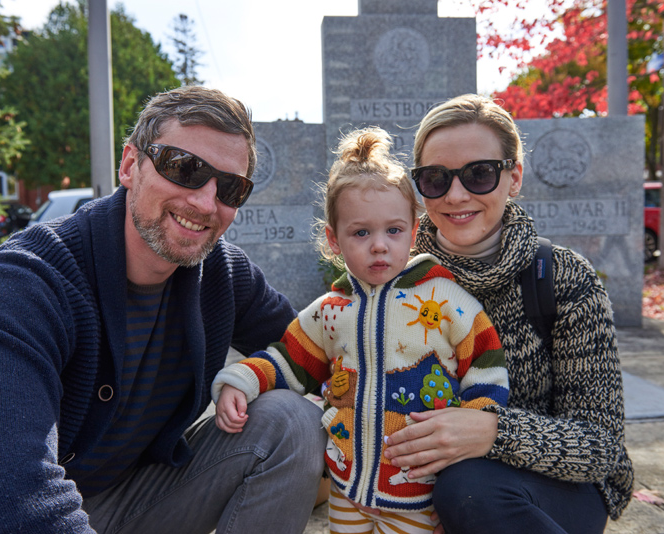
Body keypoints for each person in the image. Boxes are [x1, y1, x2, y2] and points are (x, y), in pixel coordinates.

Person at [0, 86, 327, 534]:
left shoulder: (224, 275)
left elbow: (316, 350)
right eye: (184, 168)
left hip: (129, 498)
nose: (205, 202)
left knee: (293, 420)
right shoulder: (24, 281)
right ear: (131, 165)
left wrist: (408, 422)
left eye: (231, 188)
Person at [212, 127, 509, 534]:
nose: (379, 246)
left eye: (393, 230)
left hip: (418, 488)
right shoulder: (331, 311)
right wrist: (241, 379)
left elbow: (486, 365)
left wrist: (475, 427)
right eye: (361, 232)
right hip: (346, 487)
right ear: (334, 240)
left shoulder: (443, 300)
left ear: (414, 229)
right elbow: (289, 359)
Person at [381, 94, 633, 534]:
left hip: (552, 488)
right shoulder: (392, 280)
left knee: (468, 487)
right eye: (435, 178)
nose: (456, 195)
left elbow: (601, 445)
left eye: (479, 174)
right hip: (412, 487)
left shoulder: (564, 278)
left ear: (513, 177)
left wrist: (492, 432)